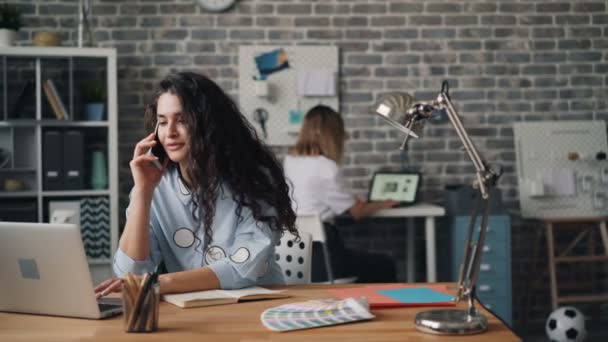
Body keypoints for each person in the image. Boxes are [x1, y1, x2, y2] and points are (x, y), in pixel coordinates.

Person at [95, 72, 297, 297]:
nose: (170, 132)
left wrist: (158, 283)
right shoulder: (155, 185)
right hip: (192, 311)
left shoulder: (255, 180)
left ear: (210, 124)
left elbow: (242, 267)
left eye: (182, 120)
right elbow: (130, 274)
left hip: (258, 305)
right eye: (162, 122)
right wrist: (142, 192)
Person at [283, 104, 398, 283]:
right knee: (385, 265)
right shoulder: (326, 167)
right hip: (323, 261)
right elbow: (357, 213)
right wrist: (382, 204)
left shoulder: (290, 161)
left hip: (292, 259)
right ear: (334, 135)